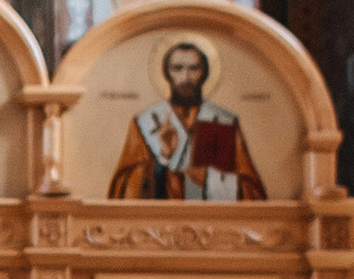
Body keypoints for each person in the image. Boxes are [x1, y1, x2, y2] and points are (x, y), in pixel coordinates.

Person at [108, 40, 268, 201]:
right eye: (177, 68)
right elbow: (123, 189)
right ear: (166, 73)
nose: (186, 77)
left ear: (204, 73)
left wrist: (211, 180)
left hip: (213, 221)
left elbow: (253, 193)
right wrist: (163, 160)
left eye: (194, 68)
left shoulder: (223, 120)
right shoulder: (145, 122)